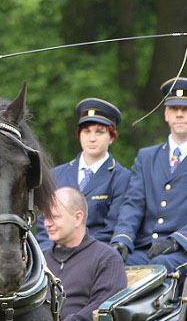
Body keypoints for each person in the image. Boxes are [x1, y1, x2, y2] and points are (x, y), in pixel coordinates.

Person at [111, 77, 187, 278]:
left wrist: (177, 241)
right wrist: (121, 240)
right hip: (145, 249)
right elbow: (133, 205)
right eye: (174, 108)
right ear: (166, 114)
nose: (179, 114)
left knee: (160, 268)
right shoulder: (146, 157)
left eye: (186, 109)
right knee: (110, 265)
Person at [36, 97, 131, 249]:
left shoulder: (121, 177)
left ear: (112, 137)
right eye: (87, 132)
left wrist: (77, 252)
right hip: (53, 255)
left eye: (100, 132)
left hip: (95, 256)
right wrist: (49, 254)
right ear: (79, 134)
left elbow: (111, 229)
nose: (92, 138)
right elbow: (43, 225)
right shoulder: (56, 175)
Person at [43, 187, 128, 321]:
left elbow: (103, 305)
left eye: (54, 217)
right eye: (46, 217)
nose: (47, 223)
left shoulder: (107, 258)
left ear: (77, 218)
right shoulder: (40, 260)